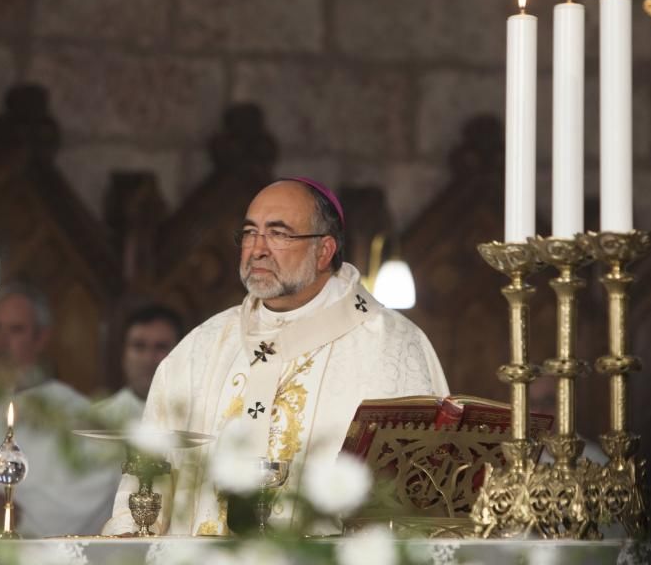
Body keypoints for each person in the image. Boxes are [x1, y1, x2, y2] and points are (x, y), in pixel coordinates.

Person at [103, 178, 449, 536]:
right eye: (250, 233)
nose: (258, 249)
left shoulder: (391, 345)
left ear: (324, 250)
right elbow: (147, 476)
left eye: (279, 234)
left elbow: (420, 493)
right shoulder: (199, 349)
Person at [0, 282, 121, 537]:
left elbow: (95, 485)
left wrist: (16, 510)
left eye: (15, 330)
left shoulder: (75, 414)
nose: (0, 342)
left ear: (41, 338)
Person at [93, 304, 184, 425]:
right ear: (123, 353)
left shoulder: (204, 418)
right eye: (139, 346)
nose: (148, 359)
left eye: (161, 347)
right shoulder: (99, 420)